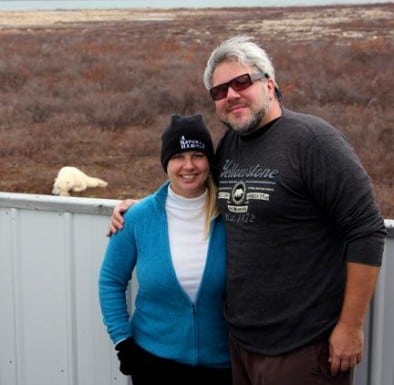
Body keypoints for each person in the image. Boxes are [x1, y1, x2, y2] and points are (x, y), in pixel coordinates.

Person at [108, 36, 387, 385]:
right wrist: (140, 209)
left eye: (242, 82)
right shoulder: (230, 147)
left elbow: (366, 229)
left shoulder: (312, 140)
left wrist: (349, 326)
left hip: (302, 347)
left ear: (269, 83)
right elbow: (195, 188)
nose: (232, 95)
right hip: (240, 347)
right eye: (220, 90)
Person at [99, 114, 232, 385]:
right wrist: (123, 341)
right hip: (153, 363)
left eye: (197, 155)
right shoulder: (138, 217)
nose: (189, 166)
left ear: (210, 161)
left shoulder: (231, 214)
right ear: (166, 163)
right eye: (178, 157)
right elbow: (111, 282)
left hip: (222, 364)